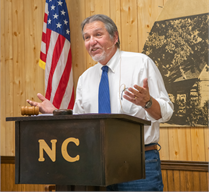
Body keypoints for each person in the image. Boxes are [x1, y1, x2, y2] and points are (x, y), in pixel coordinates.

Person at [27, 14, 174, 191]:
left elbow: (165, 113)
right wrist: (55, 112)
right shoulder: (85, 78)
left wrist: (148, 102)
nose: (92, 42)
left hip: (139, 162)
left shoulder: (141, 64)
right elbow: (81, 126)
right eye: (86, 38)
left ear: (115, 37)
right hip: (95, 165)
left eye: (98, 35)